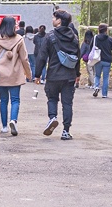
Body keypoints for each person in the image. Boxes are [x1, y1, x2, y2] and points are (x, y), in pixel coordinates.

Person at [33, 9, 81, 140]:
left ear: (59, 20)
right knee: (67, 104)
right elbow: (78, 56)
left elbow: (42, 57)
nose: (52, 20)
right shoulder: (74, 37)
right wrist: (77, 73)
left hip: (53, 75)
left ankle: (52, 118)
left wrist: (37, 75)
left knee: (52, 99)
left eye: (54, 18)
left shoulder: (50, 36)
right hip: (69, 76)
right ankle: (66, 131)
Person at [0, 16, 32, 136]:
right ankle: (13, 120)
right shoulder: (19, 40)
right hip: (15, 74)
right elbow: (24, 58)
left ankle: (4, 126)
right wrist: (28, 73)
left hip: (1, 74)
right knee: (15, 100)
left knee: (3, 100)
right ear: (13, 26)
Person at [91, 23, 112, 98]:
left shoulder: (95, 38)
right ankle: (104, 94)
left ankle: (96, 87)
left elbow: (91, 47)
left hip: (98, 59)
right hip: (107, 60)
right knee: (105, 77)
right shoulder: (110, 39)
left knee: (97, 75)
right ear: (106, 30)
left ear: (99, 29)